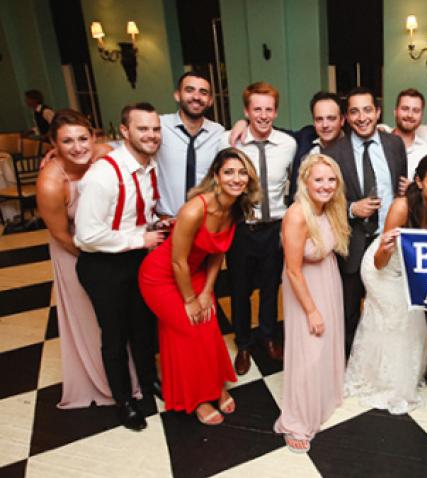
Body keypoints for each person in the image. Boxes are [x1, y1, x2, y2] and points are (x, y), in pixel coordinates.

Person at [138, 148, 259, 424]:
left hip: (195, 274)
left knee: (209, 324)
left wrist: (207, 292)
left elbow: (218, 252)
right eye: (229, 172)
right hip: (161, 275)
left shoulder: (234, 208)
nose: (236, 178)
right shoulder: (195, 209)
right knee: (190, 328)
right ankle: (199, 398)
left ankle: (213, 387)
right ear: (216, 176)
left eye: (242, 173)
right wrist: (191, 299)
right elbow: (178, 261)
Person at [36, 109, 140, 409]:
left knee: (122, 317)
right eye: (67, 141)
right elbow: (61, 234)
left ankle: (134, 378)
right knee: (93, 322)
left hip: (110, 249)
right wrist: (98, 261)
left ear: (93, 137)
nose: (78, 147)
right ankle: (105, 386)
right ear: (54, 145)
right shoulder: (50, 183)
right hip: (75, 253)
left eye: (83, 138)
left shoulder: (104, 154)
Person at [74, 102, 165, 430]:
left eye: (155, 129)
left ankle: (148, 380)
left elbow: (137, 213)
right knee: (114, 336)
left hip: (135, 260)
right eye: (143, 129)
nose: (152, 135)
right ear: (124, 132)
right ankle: (124, 402)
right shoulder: (104, 175)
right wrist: (140, 240)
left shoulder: (148, 166)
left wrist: (156, 226)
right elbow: (85, 235)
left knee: (143, 327)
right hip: (103, 265)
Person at [345, 154, 427, 414]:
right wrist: (387, 250)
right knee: (398, 320)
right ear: (419, 181)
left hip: (407, 270)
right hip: (382, 269)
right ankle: (386, 383)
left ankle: (406, 374)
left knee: (415, 320)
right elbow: (382, 259)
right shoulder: (402, 206)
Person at [323, 87, 408, 358]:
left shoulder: (394, 145)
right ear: (346, 117)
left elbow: (401, 193)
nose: (362, 117)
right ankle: (349, 363)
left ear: (378, 112)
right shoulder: (334, 152)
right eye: (354, 111)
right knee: (349, 310)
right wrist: (351, 208)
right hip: (353, 243)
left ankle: (385, 359)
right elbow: (323, 202)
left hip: (389, 240)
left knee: (387, 305)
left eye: (367, 110)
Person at [274, 154, 350, 453]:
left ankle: (324, 399)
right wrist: (312, 310)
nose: (326, 185)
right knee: (309, 350)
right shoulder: (296, 214)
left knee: (326, 344)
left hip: (327, 278)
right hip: (303, 285)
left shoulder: (330, 208)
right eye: (318, 179)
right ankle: (297, 422)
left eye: (331, 180)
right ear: (305, 181)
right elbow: (293, 270)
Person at [223, 82, 296, 374]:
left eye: (268, 109)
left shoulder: (288, 144)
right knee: (239, 290)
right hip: (241, 227)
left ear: (276, 112)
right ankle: (242, 343)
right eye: (257, 109)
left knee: (270, 289)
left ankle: (267, 336)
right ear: (247, 111)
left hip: (274, 228)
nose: (263, 115)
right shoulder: (232, 143)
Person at [156, 71, 225, 218]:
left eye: (203, 92)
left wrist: (243, 122)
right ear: (177, 95)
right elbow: (130, 143)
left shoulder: (218, 133)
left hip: (206, 221)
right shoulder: (159, 126)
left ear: (210, 100)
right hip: (167, 222)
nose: (196, 97)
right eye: (189, 90)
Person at [391, 88, 427, 177]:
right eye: (405, 109)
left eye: (416, 111)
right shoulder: (379, 143)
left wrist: (412, 188)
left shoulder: (426, 151)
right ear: (395, 112)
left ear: (421, 116)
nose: (410, 115)